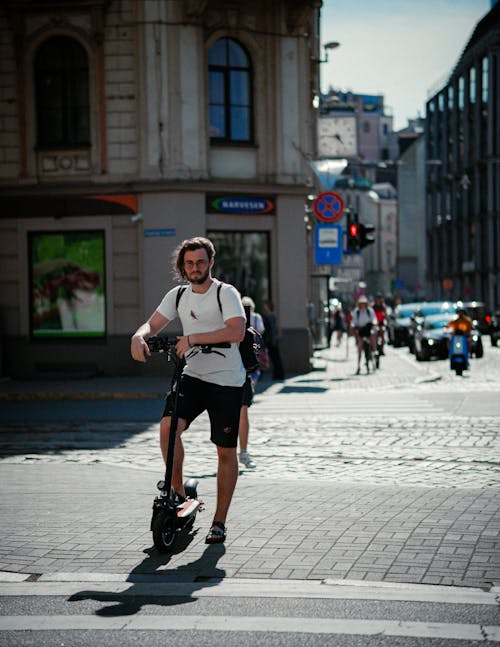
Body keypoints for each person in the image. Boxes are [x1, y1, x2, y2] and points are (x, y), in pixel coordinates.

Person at [130, 237, 246, 544]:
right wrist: (138, 337)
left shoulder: (225, 293)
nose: (195, 268)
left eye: (200, 262)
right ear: (183, 266)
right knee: (168, 428)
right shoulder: (178, 294)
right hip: (192, 376)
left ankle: (219, 521)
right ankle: (178, 492)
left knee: (225, 451)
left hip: (226, 381)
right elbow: (151, 325)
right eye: (189, 263)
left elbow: (237, 330)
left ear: (210, 263)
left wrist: (193, 339)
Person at [238, 296, 265, 469]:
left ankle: (243, 451)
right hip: (224, 373)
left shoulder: (249, 322)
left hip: (242, 371)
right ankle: (236, 452)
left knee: (242, 410)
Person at [351, 295, 377, 375]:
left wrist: (373, 324)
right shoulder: (357, 312)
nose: (362, 305)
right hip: (361, 330)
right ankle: (359, 365)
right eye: (361, 303)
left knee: (372, 338)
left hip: (368, 329)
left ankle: (374, 351)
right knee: (360, 346)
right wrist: (353, 326)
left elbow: (374, 319)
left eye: (364, 303)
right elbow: (354, 321)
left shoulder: (369, 311)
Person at [262, 300, 285, 380]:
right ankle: (278, 374)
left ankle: (279, 374)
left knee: (275, 359)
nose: (264, 307)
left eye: (265, 305)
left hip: (272, 341)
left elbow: (272, 329)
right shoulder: (270, 315)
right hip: (272, 340)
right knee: (275, 359)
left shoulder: (271, 316)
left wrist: (271, 340)